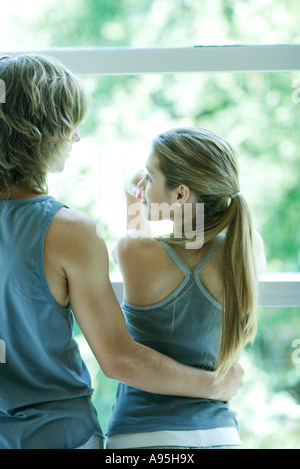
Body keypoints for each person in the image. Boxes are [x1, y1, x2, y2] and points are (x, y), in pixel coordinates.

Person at [0, 54, 244, 449]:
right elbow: (118, 359)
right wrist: (214, 384)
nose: (76, 136)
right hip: (58, 436)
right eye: (68, 124)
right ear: (37, 131)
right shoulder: (68, 231)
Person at [105, 127, 267, 449]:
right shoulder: (247, 251)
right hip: (221, 436)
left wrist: (130, 199)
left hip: (143, 436)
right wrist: (149, 186)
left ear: (180, 195)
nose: (143, 188)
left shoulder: (135, 252)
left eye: (149, 178)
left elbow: (139, 238)